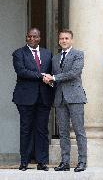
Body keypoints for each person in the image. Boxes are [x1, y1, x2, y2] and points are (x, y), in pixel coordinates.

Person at [43, 29, 87, 172]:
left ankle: (82, 162)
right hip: (60, 98)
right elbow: (55, 79)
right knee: (63, 132)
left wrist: (53, 77)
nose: (64, 41)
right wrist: (49, 81)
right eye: (61, 38)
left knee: (79, 131)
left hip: (75, 97)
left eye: (66, 38)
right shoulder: (55, 58)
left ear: (71, 40)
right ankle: (65, 162)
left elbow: (74, 73)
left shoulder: (78, 55)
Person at [12, 28, 53, 171]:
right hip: (25, 97)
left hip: (44, 97)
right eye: (29, 36)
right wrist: (41, 76)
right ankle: (24, 161)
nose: (31, 39)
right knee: (26, 129)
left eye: (35, 36)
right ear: (26, 38)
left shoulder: (48, 53)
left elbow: (52, 73)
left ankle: (42, 162)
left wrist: (51, 79)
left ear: (39, 38)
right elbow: (21, 71)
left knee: (42, 130)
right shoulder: (18, 53)